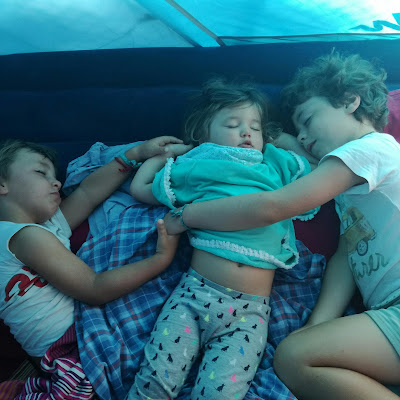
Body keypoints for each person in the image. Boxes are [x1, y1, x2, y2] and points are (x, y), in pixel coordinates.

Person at [162, 52, 400, 400]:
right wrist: (317, 327)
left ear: (350, 101)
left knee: (292, 358)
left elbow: (274, 206)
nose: (302, 137)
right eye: (297, 130)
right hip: (387, 314)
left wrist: (188, 216)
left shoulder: (369, 150)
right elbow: (345, 258)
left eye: (308, 120)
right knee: (307, 355)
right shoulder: (351, 189)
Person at [128, 78, 318, 399]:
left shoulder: (274, 164)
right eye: (233, 125)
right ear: (203, 134)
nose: (247, 133)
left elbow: (317, 168)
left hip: (250, 314)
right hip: (194, 296)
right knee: (154, 383)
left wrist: (278, 136)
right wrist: (164, 157)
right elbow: (140, 189)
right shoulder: (199, 164)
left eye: (255, 127)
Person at [0, 136, 191, 364]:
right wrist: (161, 259)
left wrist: (136, 154)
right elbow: (94, 288)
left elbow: (87, 194)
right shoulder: (20, 235)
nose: (57, 183)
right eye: (41, 173)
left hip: (73, 340)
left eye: (54, 176)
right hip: (72, 349)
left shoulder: (43, 229)